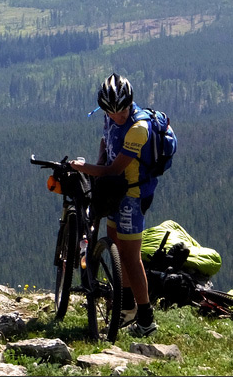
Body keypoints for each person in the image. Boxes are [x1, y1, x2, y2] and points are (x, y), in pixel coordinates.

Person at [69, 73, 159, 337]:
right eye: (111, 111)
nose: (117, 116)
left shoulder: (139, 128)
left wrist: (84, 168)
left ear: (130, 103)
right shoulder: (108, 115)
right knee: (115, 247)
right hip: (113, 191)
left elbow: (113, 168)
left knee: (131, 258)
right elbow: (105, 142)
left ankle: (146, 319)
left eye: (122, 111)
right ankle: (127, 305)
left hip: (132, 195)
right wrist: (95, 162)